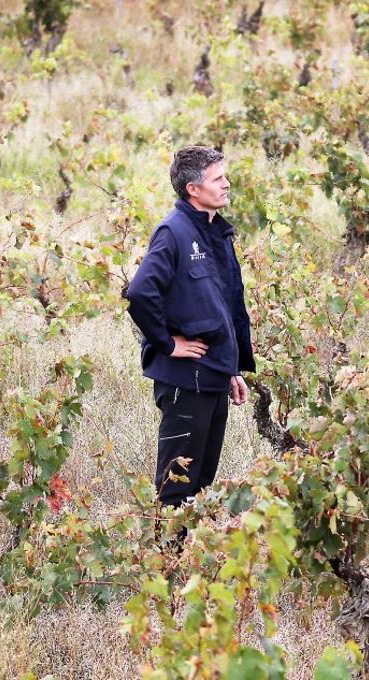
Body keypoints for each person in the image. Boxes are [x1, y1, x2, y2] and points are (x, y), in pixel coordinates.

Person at [125, 145, 255, 508]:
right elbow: (140, 293)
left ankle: (186, 563)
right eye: (218, 179)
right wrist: (168, 344)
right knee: (176, 488)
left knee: (201, 487)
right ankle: (164, 561)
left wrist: (231, 369)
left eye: (224, 176)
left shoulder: (216, 232)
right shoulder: (173, 232)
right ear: (192, 189)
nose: (227, 184)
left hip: (213, 375)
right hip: (185, 381)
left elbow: (222, 308)